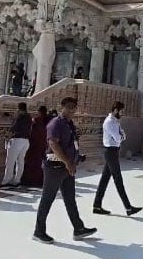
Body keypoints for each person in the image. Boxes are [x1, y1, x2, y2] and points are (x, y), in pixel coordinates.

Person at [33, 97, 96, 244]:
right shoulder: (56, 123)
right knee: (47, 199)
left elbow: (71, 144)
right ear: (62, 107)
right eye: (68, 107)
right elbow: (53, 143)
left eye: (74, 107)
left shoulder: (69, 124)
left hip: (67, 167)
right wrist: (68, 162)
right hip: (55, 167)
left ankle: (78, 228)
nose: (71, 110)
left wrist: (76, 158)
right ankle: (39, 231)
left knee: (70, 199)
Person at [93, 101, 142, 216]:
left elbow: (122, 135)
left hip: (114, 151)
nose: (122, 113)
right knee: (118, 180)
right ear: (115, 110)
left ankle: (97, 205)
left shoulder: (115, 122)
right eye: (121, 111)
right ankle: (128, 207)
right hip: (110, 151)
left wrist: (121, 136)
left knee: (104, 180)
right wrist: (121, 136)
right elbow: (118, 137)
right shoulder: (109, 122)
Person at [0, 102, 32, 188]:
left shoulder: (19, 116)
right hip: (26, 141)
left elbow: (14, 128)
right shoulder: (29, 117)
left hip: (17, 140)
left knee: (10, 161)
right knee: (20, 161)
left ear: (19, 109)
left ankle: (6, 181)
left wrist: (7, 135)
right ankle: (17, 180)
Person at [22, 105, 51, 187]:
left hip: (34, 145)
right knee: (40, 163)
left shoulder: (36, 120)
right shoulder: (49, 120)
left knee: (32, 163)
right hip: (43, 144)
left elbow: (31, 131)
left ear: (39, 112)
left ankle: (30, 181)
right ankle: (40, 181)